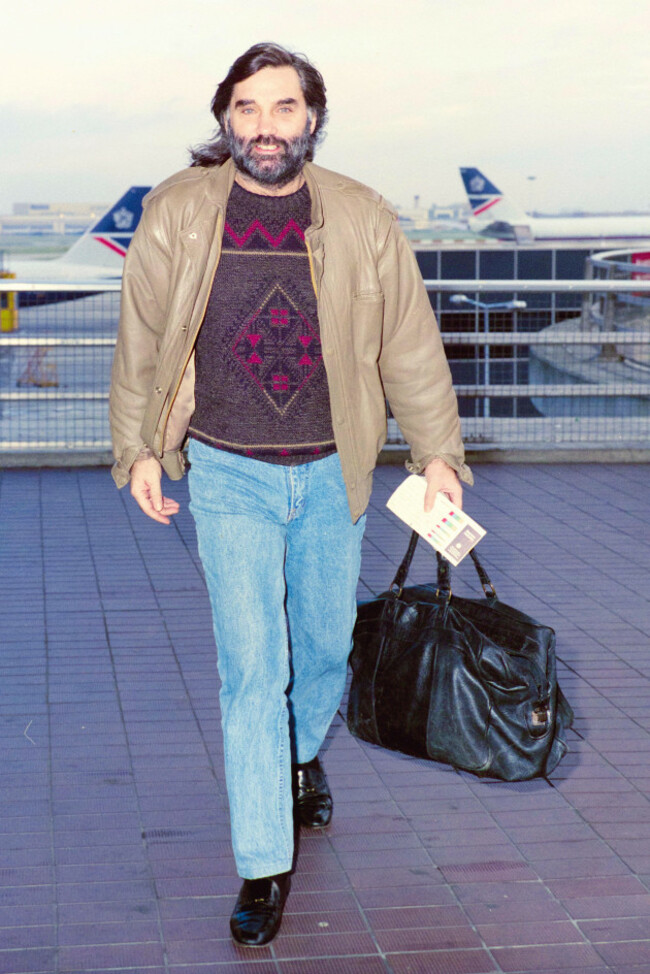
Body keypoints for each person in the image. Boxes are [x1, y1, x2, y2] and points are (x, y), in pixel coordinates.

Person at [109, 41, 472, 947]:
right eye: (247, 108)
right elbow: (142, 344)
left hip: (332, 469)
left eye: (283, 108)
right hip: (229, 471)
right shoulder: (179, 212)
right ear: (224, 119)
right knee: (250, 672)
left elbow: (409, 345)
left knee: (320, 650)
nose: (264, 127)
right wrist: (139, 451)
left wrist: (436, 454)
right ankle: (264, 862)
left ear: (312, 117)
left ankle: (299, 754)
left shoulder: (358, 215)